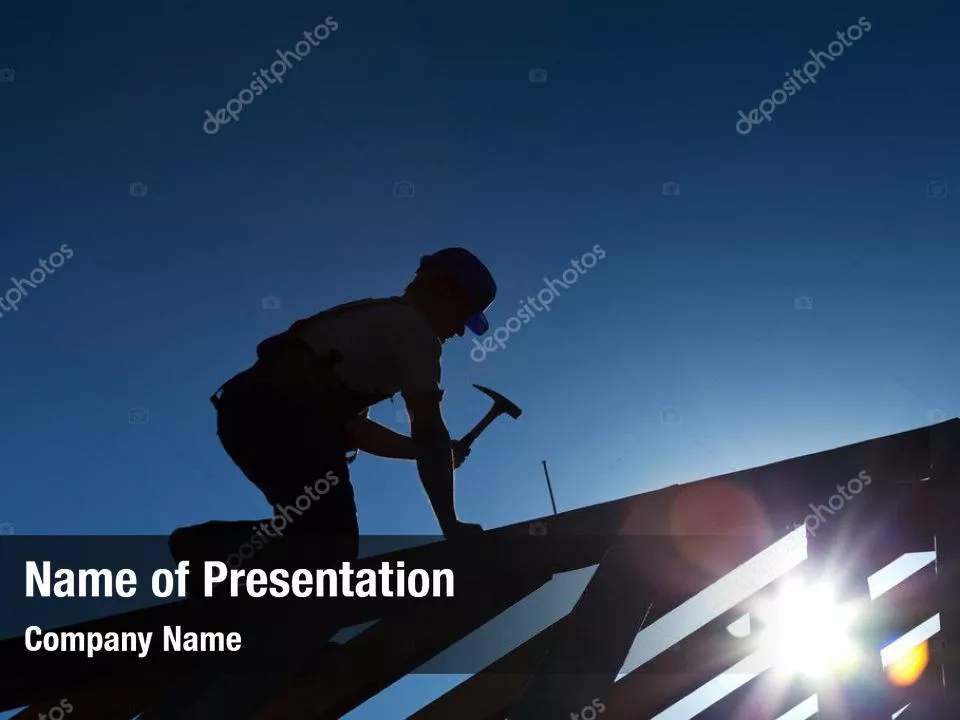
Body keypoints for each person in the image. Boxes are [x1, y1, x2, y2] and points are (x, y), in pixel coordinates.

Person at [169, 248, 496, 577]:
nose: (458, 332)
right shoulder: (417, 333)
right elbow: (428, 430)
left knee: (317, 542)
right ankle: (207, 549)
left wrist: (429, 454)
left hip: (246, 412)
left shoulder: (372, 323)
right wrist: (450, 523)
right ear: (444, 291)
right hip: (283, 420)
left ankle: (219, 570)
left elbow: (354, 431)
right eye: (463, 316)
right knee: (329, 550)